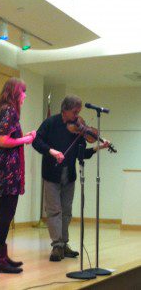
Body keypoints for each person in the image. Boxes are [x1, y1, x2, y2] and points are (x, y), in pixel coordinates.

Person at [32, 95, 110, 262]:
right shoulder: (50, 123)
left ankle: (64, 244)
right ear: (65, 110)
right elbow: (36, 141)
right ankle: (56, 246)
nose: (77, 117)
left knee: (67, 212)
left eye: (78, 112)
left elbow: (82, 154)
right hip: (51, 174)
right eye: (74, 112)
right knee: (54, 211)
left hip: (69, 176)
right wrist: (51, 151)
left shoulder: (78, 130)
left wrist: (99, 147)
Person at [0, 77, 36, 274]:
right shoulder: (9, 110)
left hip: (3, 168)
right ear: (16, 93)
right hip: (6, 170)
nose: (25, 96)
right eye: (23, 92)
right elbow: (2, 140)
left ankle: (0, 256)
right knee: (6, 214)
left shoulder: (4, 110)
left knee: (4, 213)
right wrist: (27, 139)